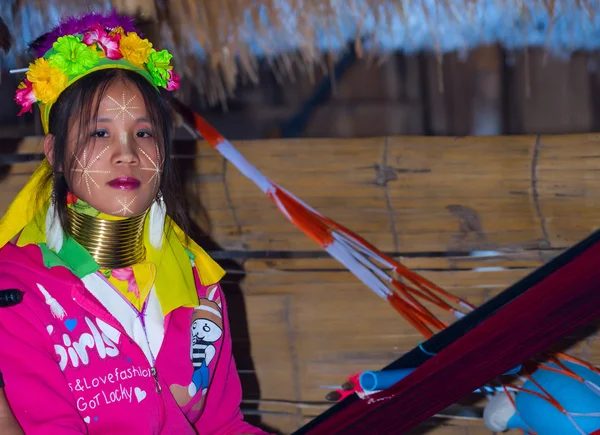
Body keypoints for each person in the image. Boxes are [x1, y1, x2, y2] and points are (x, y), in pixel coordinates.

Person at [0, 12, 270, 435]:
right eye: (99, 134)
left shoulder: (198, 282)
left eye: (144, 133)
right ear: (53, 153)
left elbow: (225, 426)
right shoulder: (16, 290)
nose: (127, 153)